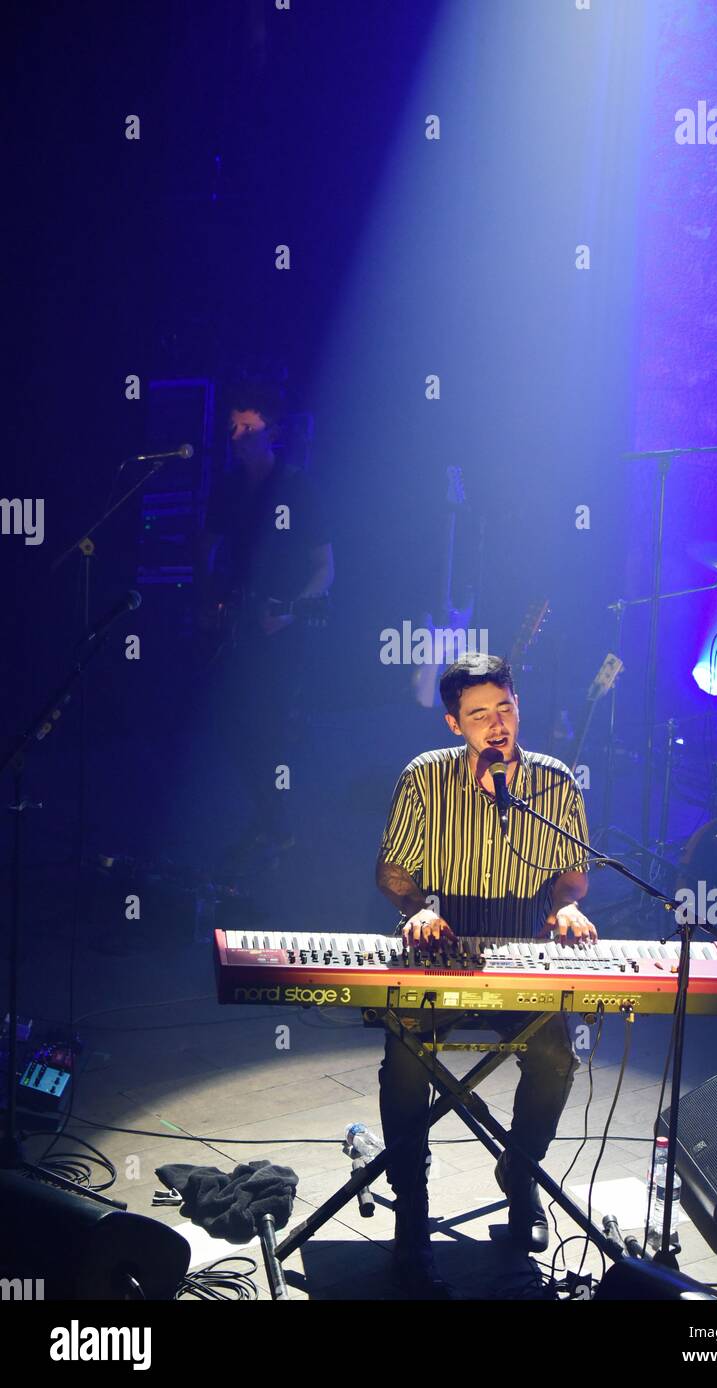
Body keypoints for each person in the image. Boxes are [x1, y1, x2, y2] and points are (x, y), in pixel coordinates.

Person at [375, 652, 597, 1298]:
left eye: (504, 708)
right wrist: (416, 912)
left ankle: (520, 1172)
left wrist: (569, 906)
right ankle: (410, 1209)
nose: (496, 725)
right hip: (439, 941)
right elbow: (393, 873)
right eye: (479, 715)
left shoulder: (554, 783)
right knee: (406, 1051)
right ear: (454, 724)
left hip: (519, 948)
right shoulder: (422, 779)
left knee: (556, 1052)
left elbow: (571, 876)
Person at [196, 384, 334, 871]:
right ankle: (270, 821)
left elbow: (325, 567)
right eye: (232, 428)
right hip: (237, 624)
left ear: (271, 432)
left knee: (267, 728)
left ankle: (282, 829)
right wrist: (208, 599)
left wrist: (292, 609)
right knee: (234, 726)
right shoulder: (228, 487)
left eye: (249, 428)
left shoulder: (296, 487)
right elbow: (207, 549)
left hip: (281, 631)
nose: (238, 437)